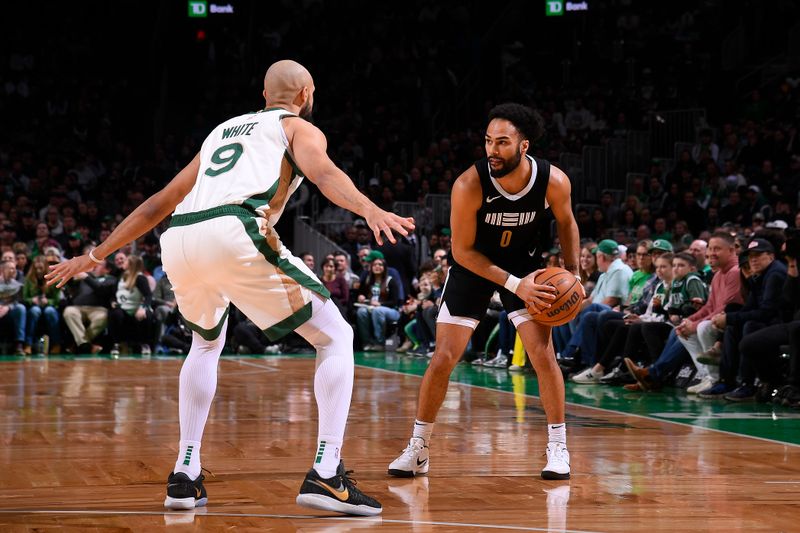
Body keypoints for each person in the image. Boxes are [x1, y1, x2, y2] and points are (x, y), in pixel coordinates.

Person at [47, 59, 414, 516]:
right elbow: (324, 174)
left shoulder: (220, 131)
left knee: (205, 343)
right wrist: (371, 210)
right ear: (305, 94)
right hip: (235, 228)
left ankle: (185, 475)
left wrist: (95, 254)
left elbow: (162, 202)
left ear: (264, 94)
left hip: (179, 238)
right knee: (336, 334)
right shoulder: (298, 128)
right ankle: (327, 473)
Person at [387, 103, 582, 480]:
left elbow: (567, 223)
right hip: (474, 268)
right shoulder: (469, 184)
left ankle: (558, 448)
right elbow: (461, 251)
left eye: (502, 143)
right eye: (489, 141)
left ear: (524, 146)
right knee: (443, 356)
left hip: (527, 266)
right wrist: (512, 284)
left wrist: (573, 272)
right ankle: (419, 447)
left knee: (542, 354)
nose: (492, 150)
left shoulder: (553, 181)